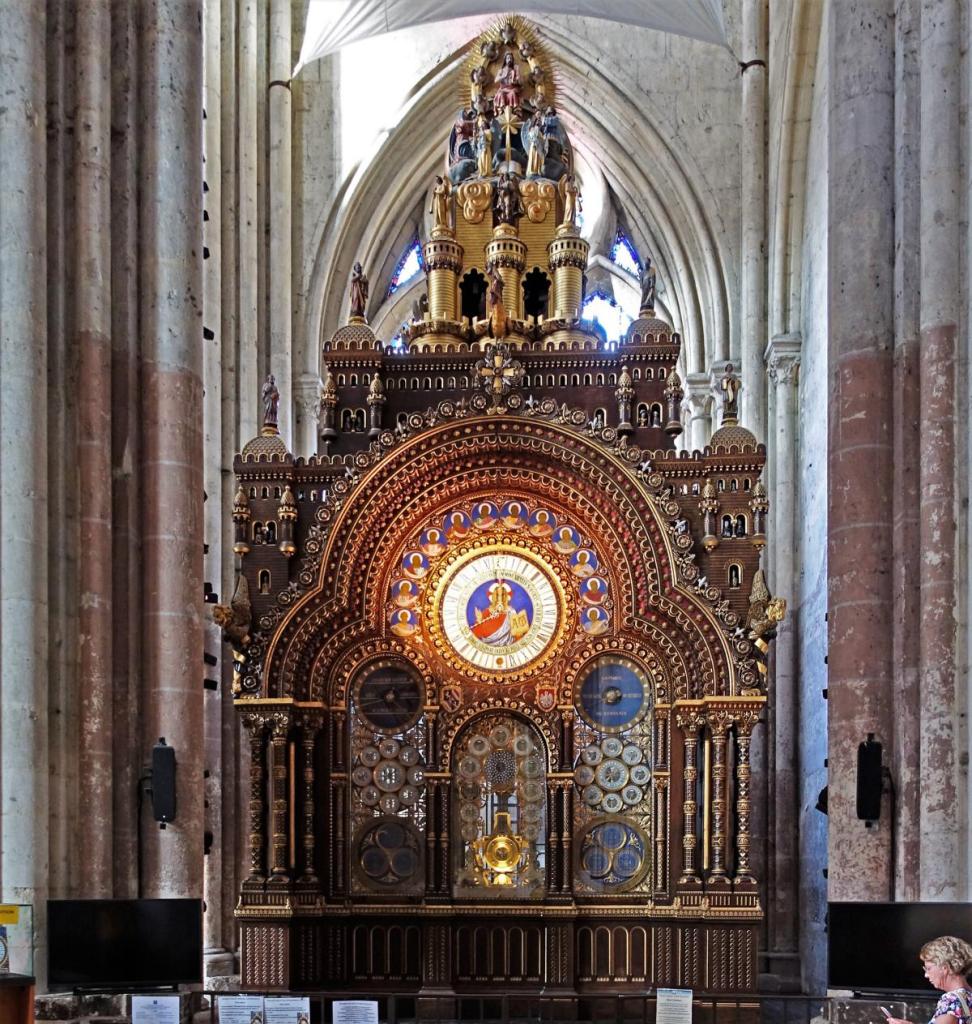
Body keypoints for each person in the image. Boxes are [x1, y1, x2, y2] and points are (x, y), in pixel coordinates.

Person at [885, 937, 972, 1024]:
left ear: (945, 967)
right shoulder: (969, 996)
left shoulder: (951, 999)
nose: (926, 975)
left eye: (929, 968)